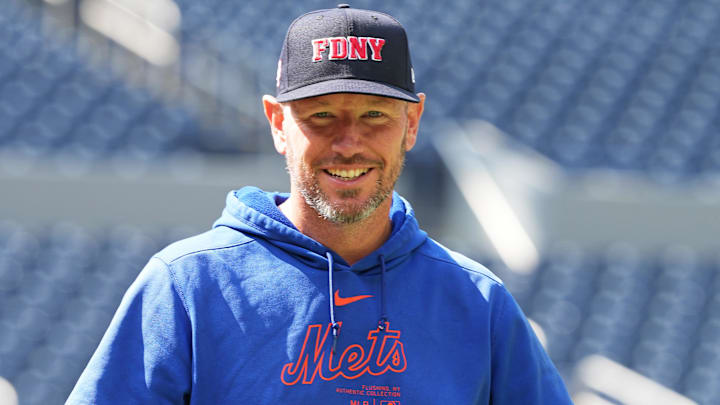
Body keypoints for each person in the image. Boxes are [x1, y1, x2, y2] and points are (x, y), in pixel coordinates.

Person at [68, 5, 573, 404]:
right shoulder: (186, 286)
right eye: (322, 114)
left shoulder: (479, 303)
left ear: (413, 124)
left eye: (375, 114)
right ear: (277, 122)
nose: (349, 143)